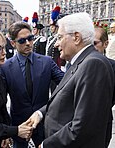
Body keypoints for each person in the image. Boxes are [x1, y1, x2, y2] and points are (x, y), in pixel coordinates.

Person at [27, 12, 114, 148]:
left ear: (76, 38)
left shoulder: (93, 64)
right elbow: (65, 98)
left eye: (60, 37)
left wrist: (46, 145)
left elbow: (84, 124)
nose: (56, 44)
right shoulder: (81, 61)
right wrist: (40, 113)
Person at [0, 21, 64, 148]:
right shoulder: (5, 68)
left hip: (44, 124)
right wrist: (6, 131)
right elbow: (0, 102)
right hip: (19, 127)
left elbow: (66, 84)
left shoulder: (47, 62)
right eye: (22, 41)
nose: (28, 43)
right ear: (13, 43)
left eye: (30, 38)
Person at [94, 26, 115, 148]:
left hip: (102, 122)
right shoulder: (77, 64)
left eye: (95, 43)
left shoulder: (112, 67)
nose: (92, 47)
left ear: (105, 44)